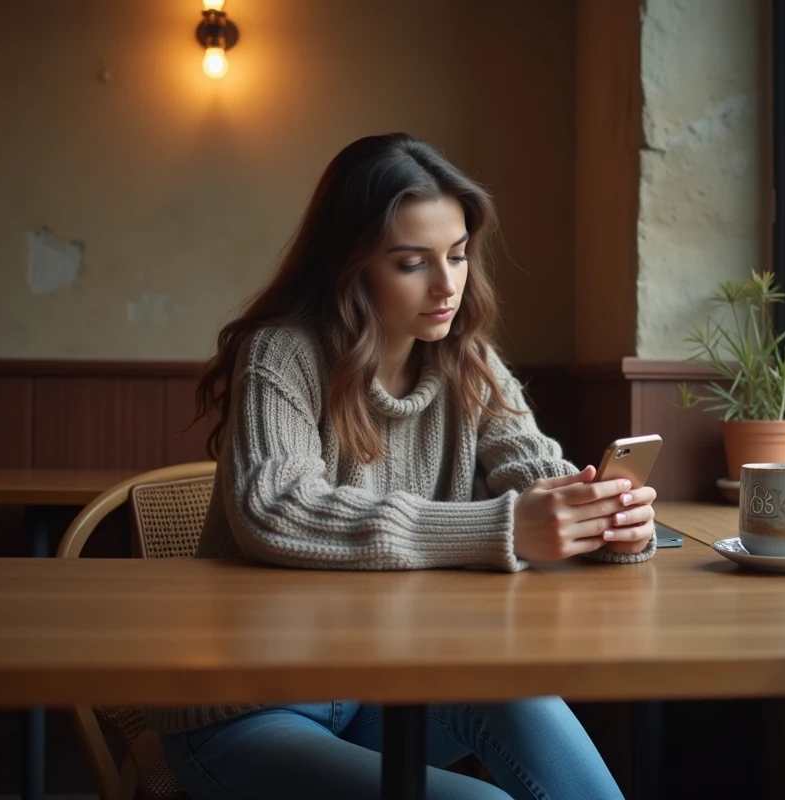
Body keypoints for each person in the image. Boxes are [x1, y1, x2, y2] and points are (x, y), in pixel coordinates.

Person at [148, 133, 658, 800]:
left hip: (378, 688)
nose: (447, 285)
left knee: (523, 696)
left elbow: (537, 474)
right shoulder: (282, 353)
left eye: (458, 255)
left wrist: (607, 521)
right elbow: (274, 508)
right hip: (247, 710)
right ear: (351, 265)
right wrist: (505, 529)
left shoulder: (467, 361)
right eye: (413, 263)